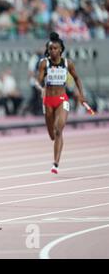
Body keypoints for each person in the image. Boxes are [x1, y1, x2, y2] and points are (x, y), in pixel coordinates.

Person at [35, 32, 87, 174]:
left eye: (55, 48)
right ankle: (56, 156)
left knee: (59, 130)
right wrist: (41, 88)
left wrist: (81, 95)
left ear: (60, 49)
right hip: (48, 101)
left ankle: (56, 164)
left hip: (61, 100)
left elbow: (77, 78)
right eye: (50, 48)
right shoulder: (44, 63)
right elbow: (38, 81)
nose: (53, 51)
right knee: (52, 135)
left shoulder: (67, 63)